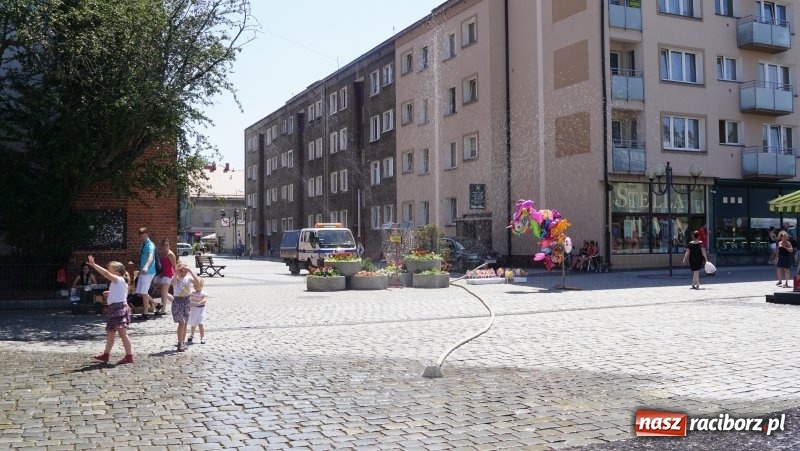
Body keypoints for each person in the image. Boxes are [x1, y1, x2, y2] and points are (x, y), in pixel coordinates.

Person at [86, 255, 134, 364]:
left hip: (119, 309)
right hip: (115, 308)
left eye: (110, 269)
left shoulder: (119, 279)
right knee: (111, 333)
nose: (108, 271)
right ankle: (106, 355)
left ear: (117, 272)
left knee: (122, 333)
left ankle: (129, 355)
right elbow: (121, 295)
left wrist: (93, 265)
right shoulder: (120, 281)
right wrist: (110, 293)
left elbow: (105, 274)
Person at [171, 261, 203, 352]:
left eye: (185, 271)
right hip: (178, 301)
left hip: (187, 300)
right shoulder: (175, 278)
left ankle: (182, 342)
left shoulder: (188, 278)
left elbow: (197, 283)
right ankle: (179, 342)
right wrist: (176, 272)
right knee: (181, 322)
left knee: (185, 323)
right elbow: (173, 283)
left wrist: (190, 271)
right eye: (181, 271)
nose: (183, 273)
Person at [136, 227, 157, 320]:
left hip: (148, 271)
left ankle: (145, 313)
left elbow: (151, 257)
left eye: (144, 235)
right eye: (141, 236)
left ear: (147, 235)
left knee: (144, 292)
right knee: (140, 292)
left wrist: (146, 266)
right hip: (143, 272)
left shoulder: (150, 245)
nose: (143, 237)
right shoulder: (144, 244)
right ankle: (157, 304)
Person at [155, 239, 177, 316]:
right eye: (164, 245)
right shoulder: (163, 253)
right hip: (163, 274)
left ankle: (163, 309)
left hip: (169, 274)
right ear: (162, 246)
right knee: (165, 293)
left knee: (163, 292)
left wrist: (175, 276)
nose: (165, 246)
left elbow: (174, 266)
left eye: (167, 245)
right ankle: (177, 302)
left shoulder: (170, 254)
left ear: (169, 246)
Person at [187, 281, 208, 345]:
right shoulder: (193, 293)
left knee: (201, 324)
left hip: (201, 310)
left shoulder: (203, 293)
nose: (195, 287)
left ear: (202, 286)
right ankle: (192, 335)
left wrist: (198, 303)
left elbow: (204, 300)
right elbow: (189, 298)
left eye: (197, 285)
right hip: (194, 310)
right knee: (193, 324)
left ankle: (202, 337)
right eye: (194, 285)